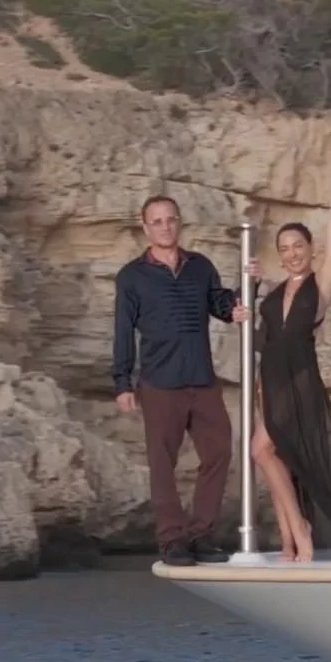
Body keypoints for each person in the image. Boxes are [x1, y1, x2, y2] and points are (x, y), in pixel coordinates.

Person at [251, 145, 331, 562]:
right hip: (269, 382)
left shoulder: (319, 287)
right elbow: (262, 339)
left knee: (263, 450)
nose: (291, 253)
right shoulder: (271, 291)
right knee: (270, 453)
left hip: (300, 385)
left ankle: (300, 531)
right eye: (284, 248)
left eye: (298, 245)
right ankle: (290, 538)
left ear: (310, 248)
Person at [113, 193, 245, 566]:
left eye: (171, 219)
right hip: (159, 381)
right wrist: (122, 382)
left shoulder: (200, 266)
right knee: (162, 463)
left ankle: (200, 535)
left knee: (219, 451)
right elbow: (123, 330)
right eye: (157, 221)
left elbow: (222, 306)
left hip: (201, 378)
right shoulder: (131, 276)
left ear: (179, 222)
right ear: (145, 227)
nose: (165, 227)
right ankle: (172, 541)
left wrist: (244, 293)